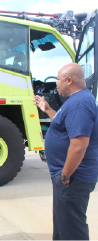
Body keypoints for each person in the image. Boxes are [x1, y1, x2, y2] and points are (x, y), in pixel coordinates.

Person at [34, 63, 98, 240]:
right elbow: (62, 124)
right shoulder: (75, 101)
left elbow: (79, 145)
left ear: (69, 80)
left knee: (72, 230)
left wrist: (64, 175)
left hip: (73, 179)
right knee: (63, 226)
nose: (56, 84)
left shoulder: (80, 104)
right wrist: (47, 109)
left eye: (58, 80)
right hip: (69, 178)